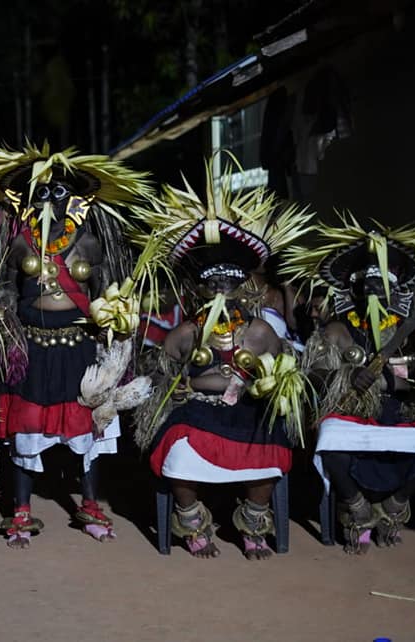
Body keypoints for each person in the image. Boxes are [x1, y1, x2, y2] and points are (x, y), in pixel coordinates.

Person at [0, 142, 153, 547]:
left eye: (58, 192)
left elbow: (106, 290)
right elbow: (3, 286)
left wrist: (115, 320)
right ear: (27, 201)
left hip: (80, 349)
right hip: (31, 349)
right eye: (40, 192)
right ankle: (21, 509)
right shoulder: (18, 242)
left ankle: (90, 504)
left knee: (87, 430)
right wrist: (6, 321)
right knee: (28, 430)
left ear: (72, 200)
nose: (48, 200)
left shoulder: (90, 243)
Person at [135, 164, 313, 560]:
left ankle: (253, 524)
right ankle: (192, 520)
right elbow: (155, 374)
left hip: (249, 409)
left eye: (227, 285)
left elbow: (287, 373)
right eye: (213, 285)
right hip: (196, 411)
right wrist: (171, 386)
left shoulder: (261, 332)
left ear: (240, 287)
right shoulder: (185, 333)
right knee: (176, 448)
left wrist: (276, 387)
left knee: (270, 448)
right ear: (202, 290)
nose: (220, 291)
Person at [283, 215, 415, 554]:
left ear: (396, 292)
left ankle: (396, 504)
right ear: (356, 291)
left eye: (382, 288)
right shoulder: (336, 331)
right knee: (330, 440)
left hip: (401, 409)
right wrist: (346, 377)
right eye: (368, 288)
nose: (374, 294)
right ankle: (356, 507)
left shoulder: (413, 330)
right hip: (351, 409)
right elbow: (313, 375)